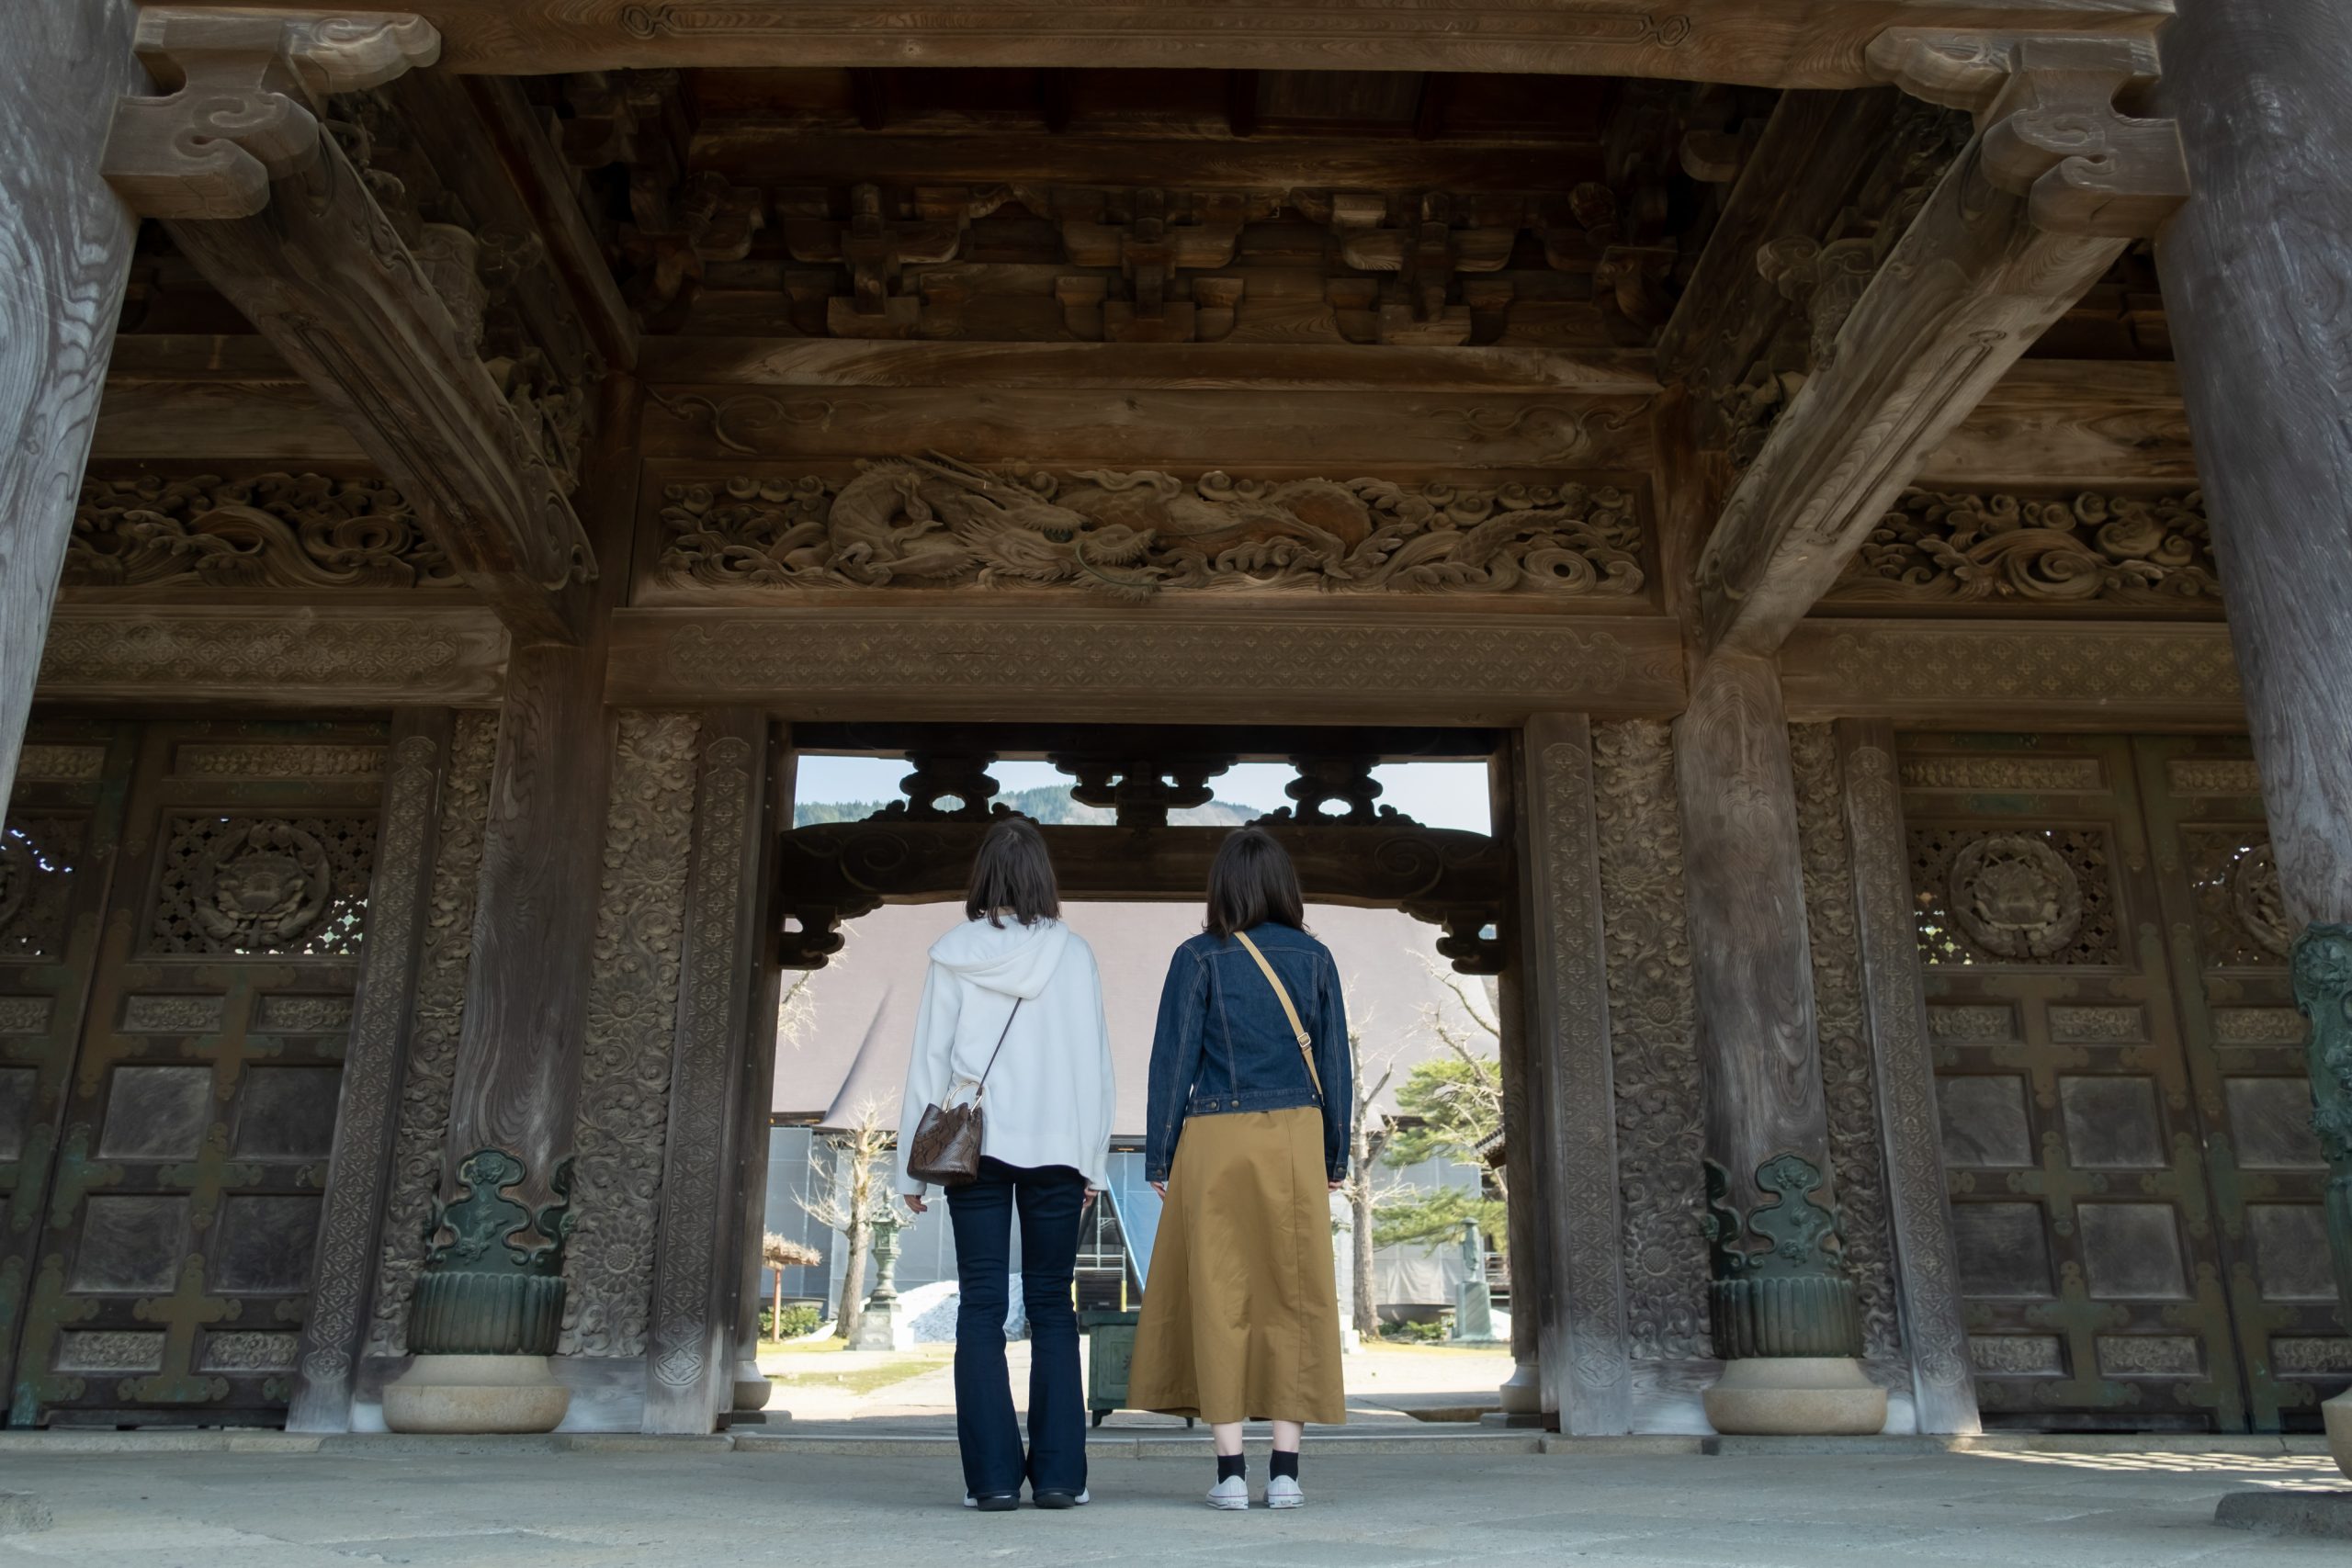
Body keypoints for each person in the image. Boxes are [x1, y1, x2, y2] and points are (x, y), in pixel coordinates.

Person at [894, 817, 1114, 1513]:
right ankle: (1058, 1477)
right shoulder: (1074, 955)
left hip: (974, 1148)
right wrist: (1094, 1163)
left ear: (982, 875)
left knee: (982, 1304)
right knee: (1053, 1304)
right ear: (1043, 876)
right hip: (1056, 1149)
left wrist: (910, 1168)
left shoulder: (954, 952)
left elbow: (930, 1058)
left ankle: (990, 1479)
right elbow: (1095, 1064)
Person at [1127, 827, 1351, 1511]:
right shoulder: (1315, 957)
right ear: (1286, 884)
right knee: (1294, 1295)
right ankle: (1285, 1471)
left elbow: (1173, 1061)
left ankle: (1229, 1472)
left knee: (1219, 1297)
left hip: (1215, 1138)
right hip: (1294, 1136)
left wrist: (1160, 1155)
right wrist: (1335, 1154)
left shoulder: (1196, 957)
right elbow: (1337, 1064)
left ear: (1220, 885)